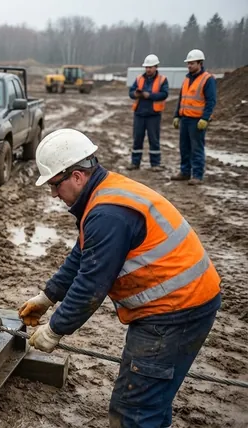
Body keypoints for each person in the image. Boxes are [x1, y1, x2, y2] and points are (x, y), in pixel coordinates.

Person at [19, 128, 221, 428]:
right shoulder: (105, 194)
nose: (53, 194)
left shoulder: (108, 213)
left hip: (176, 312)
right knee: (151, 399)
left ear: (76, 176)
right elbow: (82, 255)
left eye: (55, 185)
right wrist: (47, 297)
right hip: (182, 304)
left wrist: (55, 330)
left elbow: (91, 284)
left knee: (133, 411)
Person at [172, 49, 217, 185]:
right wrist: (176, 115)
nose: (189, 66)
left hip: (197, 120)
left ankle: (197, 175)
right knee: (184, 147)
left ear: (200, 63)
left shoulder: (207, 79)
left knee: (196, 148)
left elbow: (211, 101)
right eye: (188, 63)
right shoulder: (187, 79)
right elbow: (182, 98)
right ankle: (185, 172)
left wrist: (205, 118)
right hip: (185, 118)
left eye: (192, 63)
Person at [128, 54, 168, 171]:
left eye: (150, 67)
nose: (148, 69)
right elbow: (131, 92)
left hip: (153, 115)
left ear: (156, 67)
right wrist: (136, 94)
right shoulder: (139, 78)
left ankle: (155, 164)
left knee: (154, 140)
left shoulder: (162, 80)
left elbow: (164, 94)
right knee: (137, 139)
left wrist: (149, 95)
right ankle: (135, 163)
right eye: (146, 67)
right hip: (139, 113)